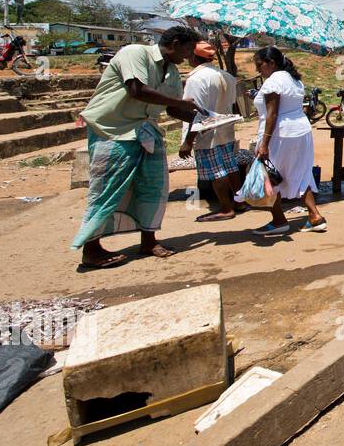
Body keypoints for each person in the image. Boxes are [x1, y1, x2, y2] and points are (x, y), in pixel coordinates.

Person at [71, 26, 202, 268]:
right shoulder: (134, 53)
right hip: (113, 130)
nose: (189, 56)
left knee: (153, 187)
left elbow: (173, 109)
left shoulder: (171, 71)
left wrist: (202, 120)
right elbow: (137, 90)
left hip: (145, 130)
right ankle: (91, 248)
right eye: (188, 49)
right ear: (174, 43)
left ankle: (148, 240)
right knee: (107, 189)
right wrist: (181, 102)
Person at [247, 47, 325, 237]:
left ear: (271, 63)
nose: (258, 70)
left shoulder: (274, 81)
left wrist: (264, 144)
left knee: (270, 175)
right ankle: (315, 216)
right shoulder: (294, 79)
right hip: (300, 130)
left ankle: (279, 220)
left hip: (280, 133)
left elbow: (272, 114)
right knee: (300, 172)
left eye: (260, 65)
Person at [178, 41, 242, 221]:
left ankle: (225, 208)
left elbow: (196, 112)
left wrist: (188, 141)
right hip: (225, 128)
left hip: (206, 130)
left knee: (216, 171)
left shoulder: (196, 79)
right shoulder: (227, 76)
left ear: (193, 57)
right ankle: (239, 200)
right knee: (230, 167)